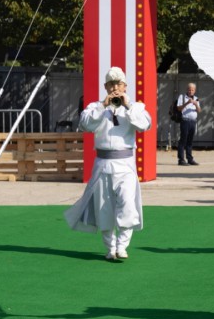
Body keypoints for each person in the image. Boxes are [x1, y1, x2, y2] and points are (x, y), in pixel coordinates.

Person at [64, 67, 152, 261]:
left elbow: (145, 124)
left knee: (127, 204)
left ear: (125, 86)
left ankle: (122, 246)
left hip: (125, 164)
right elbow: (85, 124)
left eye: (119, 84)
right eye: (111, 84)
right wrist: (103, 105)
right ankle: (110, 248)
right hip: (103, 163)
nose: (115, 88)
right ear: (105, 86)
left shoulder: (135, 106)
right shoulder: (96, 106)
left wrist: (128, 106)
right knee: (103, 208)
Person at [176, 83, 202, 166]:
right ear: (187, 89)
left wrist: (196, 104)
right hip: (185, 121)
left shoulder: (196, 98)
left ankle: (190, 159)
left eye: (192, 90)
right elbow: (179, 108)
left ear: (195, 90)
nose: (191, 91)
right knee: (183, 140)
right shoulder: (182, 97)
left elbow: (199, 110)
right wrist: (187, 103)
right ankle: (181, 160)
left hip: (193, 121)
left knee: (190, 141)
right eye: (189, 89)